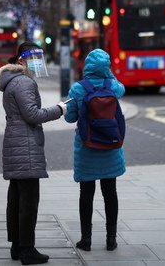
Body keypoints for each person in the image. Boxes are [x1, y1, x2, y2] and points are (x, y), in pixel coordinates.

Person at [0, 41, 68, 265]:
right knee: (29, 202)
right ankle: (27, 250)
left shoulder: (12, 81)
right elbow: (33, 115)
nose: (37, 64)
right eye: (34, 59)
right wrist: (59, 109)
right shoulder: (25, 83)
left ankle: (17, 246)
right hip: (25, 146)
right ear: (21, 61)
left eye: (40, 59)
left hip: (15, 144)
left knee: (16, 199)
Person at [63, 49, 126, 252]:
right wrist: (109, 75)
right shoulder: (113, 86)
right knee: (110, 193)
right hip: (110, 147)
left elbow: (70, 118)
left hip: (87, 147)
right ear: (106, 68)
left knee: (86, 194)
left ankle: (86, 239)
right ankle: (111, 239)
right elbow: (122, 88)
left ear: (87, 66)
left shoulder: (78, 89)